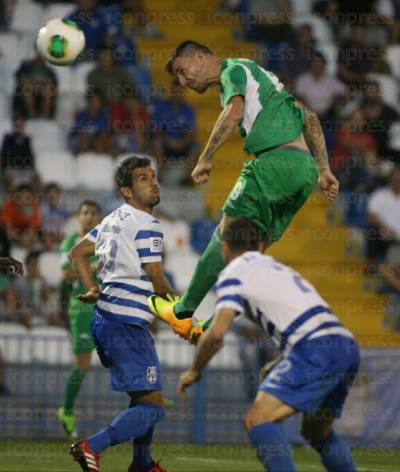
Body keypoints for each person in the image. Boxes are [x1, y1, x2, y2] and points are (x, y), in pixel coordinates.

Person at [148, 41, 339, 339]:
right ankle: (209, 329)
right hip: (304, 172)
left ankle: (183, 310)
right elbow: (310, 118)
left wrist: (205, 157)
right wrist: (324, 169)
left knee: (224, 234)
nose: (183, 82)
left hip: (273, 166)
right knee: (249, 254)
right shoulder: (264, 80)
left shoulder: (233, 70)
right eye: (179, 79)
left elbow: (234, 113)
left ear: (200, 58)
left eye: (184, 72)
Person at [178, 217, 360, 472]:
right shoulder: (280, 269)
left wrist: (195, 370)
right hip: (346, 345)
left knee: (257, 419)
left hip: (314, 349)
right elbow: (306, 319)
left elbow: (216, 334)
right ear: (261, 245)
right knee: (316, 430)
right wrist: (281, 361)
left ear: (225, 247)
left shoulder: (234, 272)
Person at [68, 156, 170, 472]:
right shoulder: (147, 223)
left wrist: (92, 287)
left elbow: (77, 254)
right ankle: (90, 446)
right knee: (154, 408)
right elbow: (157, 277)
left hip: (107, 318)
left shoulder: (111, 219)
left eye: (153, 176)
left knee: (146, 397)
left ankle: (142, 464)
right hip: (125, 323)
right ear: (126, 191)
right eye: (143, 178)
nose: (153, 182)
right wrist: (182, 315)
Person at [57, 200, 101, 439]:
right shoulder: (71, 241)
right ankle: (66, 409)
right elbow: (64, 272)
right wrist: (91, 267)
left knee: (124, 348)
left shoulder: (104, 240)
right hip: (81, 306)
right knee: (83, 364)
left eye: (94, 213)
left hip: (104, 305)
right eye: (85, 212)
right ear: (79, 216)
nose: (89, 216)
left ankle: (150, 396)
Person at [12, 51, 58, 119]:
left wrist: (42, 86)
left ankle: (46, 114)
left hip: (43, 94)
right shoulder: (26, 66)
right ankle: (31, 112)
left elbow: (54, 82)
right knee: (27, 85)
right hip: (27, 93)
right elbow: (18, 76)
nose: (40, 59)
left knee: (49, 87)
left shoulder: (49, 71)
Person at [0, 116, 40, 192]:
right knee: (9, 179)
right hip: (12, 167)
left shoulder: (27, 139)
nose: (19, 126)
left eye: (21, 124)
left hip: (26, 168)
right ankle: (14, 199)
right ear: (14, 125)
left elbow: (30, 155)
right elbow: (3, 154)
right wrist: (2, 169)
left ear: (24, 125)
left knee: (37, 178)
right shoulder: (8, 137)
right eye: (17, 124)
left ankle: (31, 198)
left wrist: (32, 167)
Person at [71, 90, 111, 155]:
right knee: (84, 143)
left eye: (98, 102)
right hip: (82, 142)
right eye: (94, 101)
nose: (96, 104)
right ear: (89, 102)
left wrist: (96, 142)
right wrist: (91, 141)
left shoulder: (103, 117)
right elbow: (80, 136)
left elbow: (104, 136)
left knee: (100, 144)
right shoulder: (81, 116)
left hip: (95, 142)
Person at [2, 184, 40, 248]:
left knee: (35, 236)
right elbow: (6, 227)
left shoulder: (34, 206)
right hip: (12, 233)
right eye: (20, 196)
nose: (23, 199)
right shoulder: (9, 205)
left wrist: (26, 237)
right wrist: (19, 238)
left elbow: (33, 227)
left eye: (27, 196)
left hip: (26, 232)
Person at [40, 183, 69, 250]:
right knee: (47, 237)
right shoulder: (42, 208)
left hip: (58, 234)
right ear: (45, 196)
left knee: (65, 238)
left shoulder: (62, 208)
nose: (52, 197)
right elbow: (41, 225)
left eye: (55, 195)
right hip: (46, 234)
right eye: (49, 195)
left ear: (58, 196)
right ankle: (48, 255)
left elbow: (69, 216)